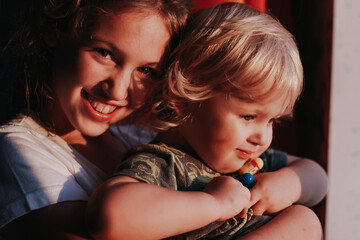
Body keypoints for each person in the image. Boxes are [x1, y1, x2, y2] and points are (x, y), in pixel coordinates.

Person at [86, 3, 328, 240]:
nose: (261, 137)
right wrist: (213, 204)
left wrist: (289, 184)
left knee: (304, 219)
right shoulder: (165, 163)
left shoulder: (251, 161)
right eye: (248, 117)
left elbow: (318, 178)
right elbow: (109, 216)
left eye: (271, 121)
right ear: (183, 98)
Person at [0, 0, 190, 239]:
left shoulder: (136, 138)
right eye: (105, 53)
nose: (118, 91)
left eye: (146, 71)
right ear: (56, 29)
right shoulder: (16, 154)